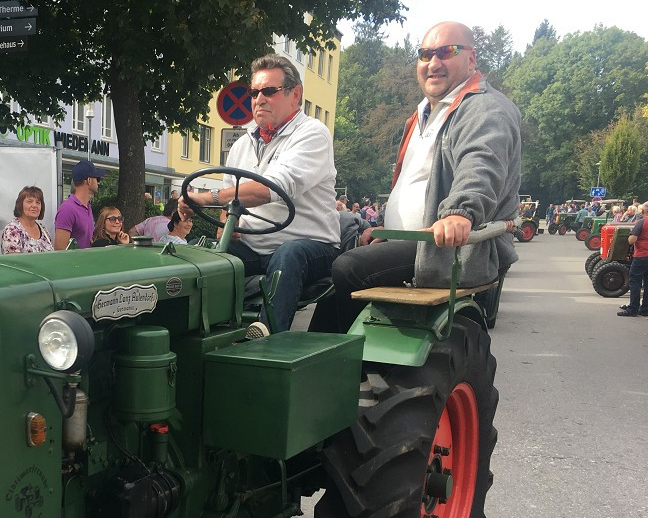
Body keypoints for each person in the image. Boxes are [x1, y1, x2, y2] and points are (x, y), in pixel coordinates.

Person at [327, 22, 521, 333]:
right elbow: (413, 183)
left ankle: (351, 367)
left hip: (449, 251)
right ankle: (307, 365)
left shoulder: (484, 109)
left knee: (349, 268)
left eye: (447, 52)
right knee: (329, 272)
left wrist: (461, 212)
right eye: (425, 54)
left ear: (471, 59)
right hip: (416, 243)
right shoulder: (424, 114)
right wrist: (388, 231)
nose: (433, 63)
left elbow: (481, 163)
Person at [187, 54, 340, 333]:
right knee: (205, 255)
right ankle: (197, 334)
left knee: (289, 254)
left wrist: (206, 199)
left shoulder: (312, 134)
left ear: (295, 95)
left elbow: (270, 189)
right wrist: (226, 224)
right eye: (254, 92)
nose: (259, 99)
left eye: (269, 91)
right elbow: (230, 203)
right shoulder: (242, 145)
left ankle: (266, 339)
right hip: (253, 246)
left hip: (312, 247)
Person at [54, 161, 105, 250]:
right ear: (89, 180)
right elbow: (59, 250)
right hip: (74, 263)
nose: (98, 183)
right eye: (97, 179)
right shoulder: (67, 209)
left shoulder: (87, 207)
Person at [0, 186, 55, 254]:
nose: (34, 205)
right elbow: (14, 263)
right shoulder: (12, 230)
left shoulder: (43, 230)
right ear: (20, 205)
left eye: (38, 202)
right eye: (29, 201)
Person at [617, 205, 648, 317]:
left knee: (635, 281)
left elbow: (632, 240)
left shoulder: (641, 222)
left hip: (642, 255)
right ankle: (645, 309)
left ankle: (633, 308)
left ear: (644, 211)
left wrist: (631, 235)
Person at [129, 201, 194, 242]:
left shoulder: (150, 220)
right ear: (175, 212)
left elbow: (132, 232)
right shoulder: (173, 228)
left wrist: (140, 248)